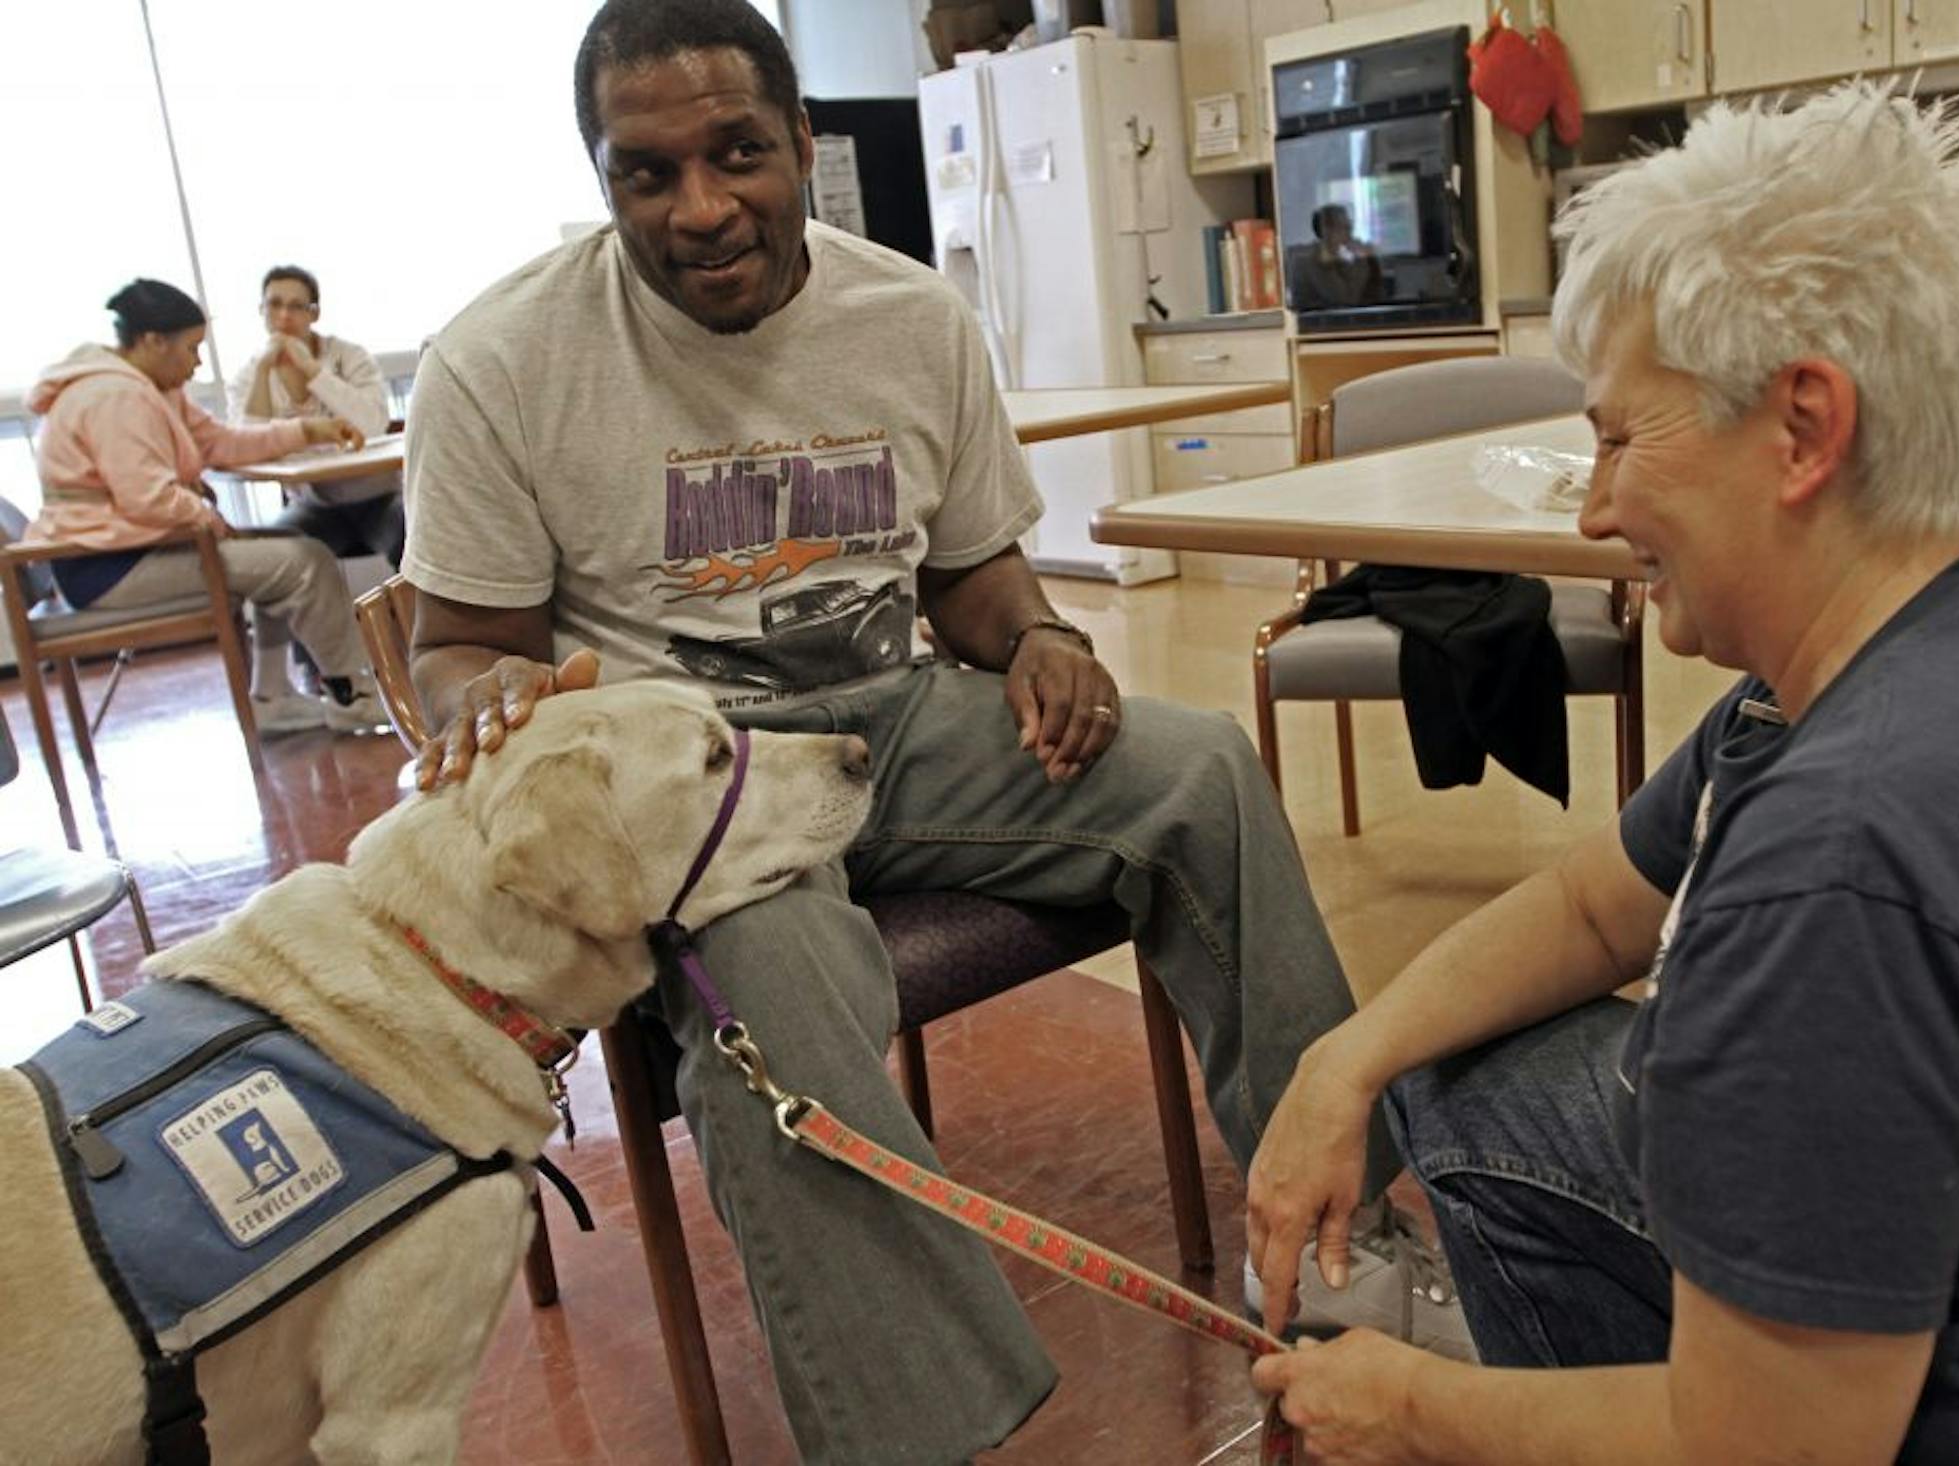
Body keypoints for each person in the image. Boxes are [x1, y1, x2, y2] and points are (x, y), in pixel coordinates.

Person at [399, 3, 1449, 1460]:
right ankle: (921, 1431)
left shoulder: (909, 317)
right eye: (647, 175)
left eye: (737, 154)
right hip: (686, 786)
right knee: (775, 965)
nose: (700, 209)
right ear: (601, 180)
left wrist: (1040, 637)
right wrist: (480, 698)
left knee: (1197, 766)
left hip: (887, 722)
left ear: (806, 146)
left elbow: (966, 573)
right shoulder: (500, 362)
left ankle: (1348, 1238)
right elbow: (459, 645)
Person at [1246, 82, 1959, 1464]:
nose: (1596, 504)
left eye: (1622, 435)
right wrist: (1343, 1056)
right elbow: (1596, 905)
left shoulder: (1842, 864)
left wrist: (1414, 1407)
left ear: (1801, 427)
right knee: (1450, 1063)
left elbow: (1778, 1448)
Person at [28, 278, 389, 735]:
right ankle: (352, 697)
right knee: (303, 560)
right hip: (108, 568)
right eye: (191, 349)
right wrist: (211, 519)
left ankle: (274, 696)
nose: (197, 363)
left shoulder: (150, 388)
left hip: (124, 552)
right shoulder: (113, 396)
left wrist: (308, 431)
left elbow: (220, 442)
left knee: (289, 549)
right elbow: (149, 497)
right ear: (153, 342)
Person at [229, 264, 406, 701]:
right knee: (280, 549)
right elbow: (245, 441)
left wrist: (313, 373)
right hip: (316, 503)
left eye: (296, 306)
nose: (284, 317)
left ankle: (426, 647)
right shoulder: (253, 372)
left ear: (315, 312)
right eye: (274, 305)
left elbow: (372, 421)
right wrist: (268, 370)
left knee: (414, 527)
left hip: (377, 496)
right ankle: (323, 677)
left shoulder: (348, 357)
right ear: (261, 311)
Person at [1288, 203, 1384, 310]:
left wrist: (1367, 258)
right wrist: (1360, 258)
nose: (1350, 231)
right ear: (1326, 231)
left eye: (1349, 224)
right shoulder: (1306, 263)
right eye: (1343, 226)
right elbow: (1345, 299)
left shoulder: (1344, 257)